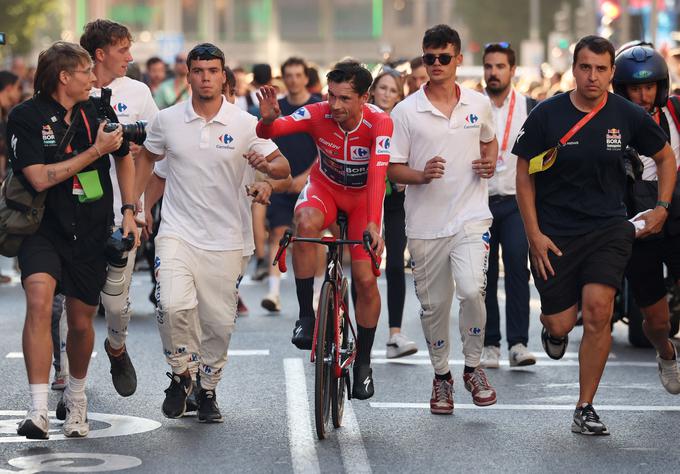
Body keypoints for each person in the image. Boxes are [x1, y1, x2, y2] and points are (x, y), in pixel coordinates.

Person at [512, 35, 676, 435]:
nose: (593, 76)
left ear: (611, 73)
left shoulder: (627, 115)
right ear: (574, 69)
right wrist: (533, 233)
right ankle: (552, 330)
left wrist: (662, 208)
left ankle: (585, 406)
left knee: (600, 310)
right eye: (585, 67)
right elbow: (523, 174)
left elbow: (665, 158)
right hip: (556, 234)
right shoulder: (547, 115)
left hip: (608, 228)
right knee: (561, 323)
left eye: (601, 69)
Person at [134, 43, 290, 423]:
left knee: (218, 323)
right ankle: (181, 374)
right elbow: (150, 164)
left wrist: (266, 170)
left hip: (227, 239)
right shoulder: (167, 120)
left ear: (223, 76)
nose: (206, 77)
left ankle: (207, 389)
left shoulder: (245, 123)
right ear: (188, 75)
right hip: (177, 233)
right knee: (172, 305)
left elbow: (283, 166)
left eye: (213, 70)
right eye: (199, 70)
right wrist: (135, 209)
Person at [8, 41, 139, 439]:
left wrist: (130, 211)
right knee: (39, 300)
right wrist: (94, 150)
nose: (92, 78)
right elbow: (38, 177)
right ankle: (38, 409)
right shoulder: (25, 117)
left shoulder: (97, 109)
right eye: (85, 72)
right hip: (42, 228)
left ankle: (77, 400)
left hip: (91, 228)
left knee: (82, 321)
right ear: (65, 77)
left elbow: (124, 157)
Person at [257, 60, 390, 400]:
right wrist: (269, 119)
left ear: (364, 97)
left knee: (363, 278)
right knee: (304, 225)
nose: (335, 106)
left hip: (362, 202)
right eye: (331, 96)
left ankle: (362, 363)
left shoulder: (380, 123)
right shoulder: (318, 113)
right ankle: (306, 316)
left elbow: (377, 175)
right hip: (325, 189)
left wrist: (374, 223)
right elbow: (271, 132)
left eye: (344, 99)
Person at [388, 24, 499, 415]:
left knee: (471, 290)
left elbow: (489, 138)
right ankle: (441, 378)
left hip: (470, 218)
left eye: (443, 58)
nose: (435, 65)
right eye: (429, 58)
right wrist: (421, 174)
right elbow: (393, 169)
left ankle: (473, 367)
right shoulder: (405, 112)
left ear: (458, 60)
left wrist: (488, 160)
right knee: (434, 308)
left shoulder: (477, 103)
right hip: (424, 225)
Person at [80, 19, 159, 398]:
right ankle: (67, 385)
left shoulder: (139, 92)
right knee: (67, 305)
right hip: (75, 215)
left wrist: (139, 207)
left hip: (121, 214)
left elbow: (156, 148)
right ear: (101, 54)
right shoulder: (73, 87)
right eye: (123, 49)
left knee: (114, 305)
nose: (130, 56)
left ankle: (117, 348)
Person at [612, 42, 680, 393]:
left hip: (675, 211)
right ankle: (666, 353)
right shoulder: (610, 122)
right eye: (635, 88)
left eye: (649, 86)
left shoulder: (676, 112)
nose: (642, 95)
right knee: (655, 320)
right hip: (636, 221)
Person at [480, 43, 536, 369]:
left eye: (500, 66)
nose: (493, 72)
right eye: (488, 66)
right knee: (483, 276)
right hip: (480, 201)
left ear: (512, 70)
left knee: (517, 267)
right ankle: (490, 343)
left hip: (516, 201)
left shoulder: (529, 107)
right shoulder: (472, 106)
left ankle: (518, 343)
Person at [261, 57, 320, 313]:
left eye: (298, 74)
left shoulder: (319, 106)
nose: (294, 79)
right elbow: (266, 140)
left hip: (314, 182)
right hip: (282, 182)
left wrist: (306, 177)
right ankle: (273, 293)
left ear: (306, 77)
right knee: (278, 234)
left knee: (312, 238)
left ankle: (318, 293)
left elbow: (325, 149)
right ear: (283, 78)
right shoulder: (277, 106)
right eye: (289, 75)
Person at [368, 70, 417, 358]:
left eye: (393, 90)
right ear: (373, 91)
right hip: (365, 197)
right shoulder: (363, 116)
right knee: (364, 267)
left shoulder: (403, 120)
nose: (386, 94)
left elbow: (414, 154)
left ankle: (394, 335)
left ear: (399, 96)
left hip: (396, 199)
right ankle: (353, 332)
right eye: (382, 88)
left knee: (396, 264)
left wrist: (403, 174)